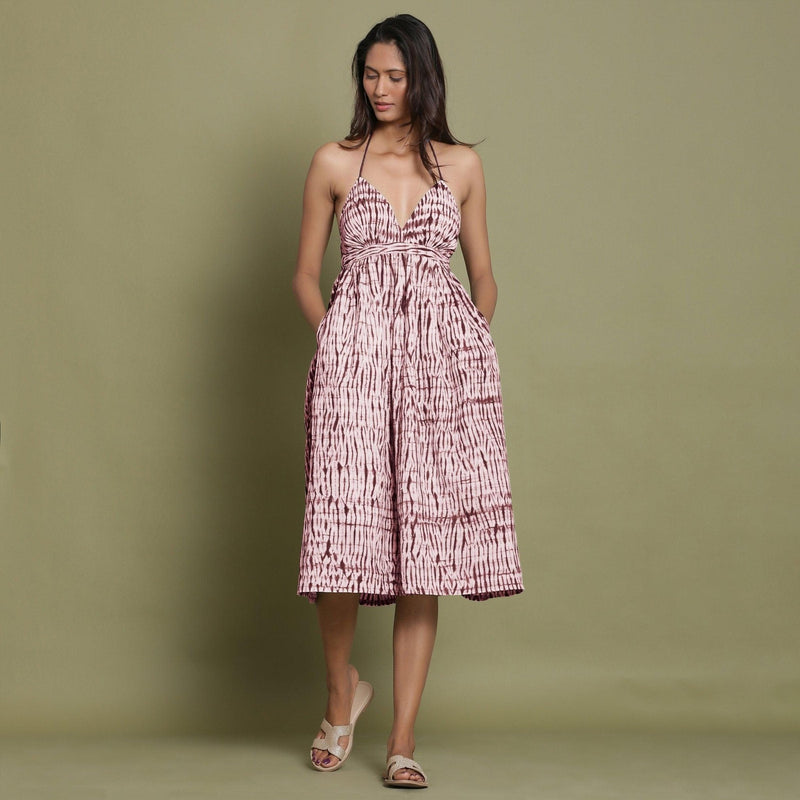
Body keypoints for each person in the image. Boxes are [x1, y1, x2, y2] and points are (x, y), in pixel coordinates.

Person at [292, 14, 524, 788]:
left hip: (438, 376)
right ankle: (340, 699)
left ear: (423, 76)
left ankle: (401, 741)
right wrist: (338, 341)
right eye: (370, 75)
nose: (381, 90)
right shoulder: (335, 160)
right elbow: (302, 274)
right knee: (340, 538)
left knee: (423, 545)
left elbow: (483, 272)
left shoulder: (461, 166)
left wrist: (468, 337)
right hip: (353, 372)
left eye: (395, 76)